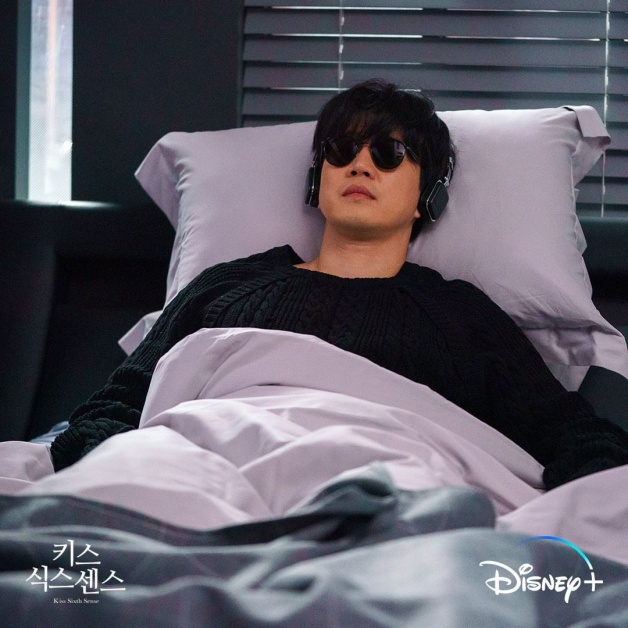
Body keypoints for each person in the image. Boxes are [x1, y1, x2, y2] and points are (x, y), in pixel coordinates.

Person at [50, 79, 628, 490]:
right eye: (341, 150)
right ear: (316, 180)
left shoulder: (460, 316)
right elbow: (116, 405)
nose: (360, 165)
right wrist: (117, 480)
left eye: (390, 153)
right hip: (199, 475)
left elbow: (571, 435)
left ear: (428, 196)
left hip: (393, 496)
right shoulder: (226, 286)